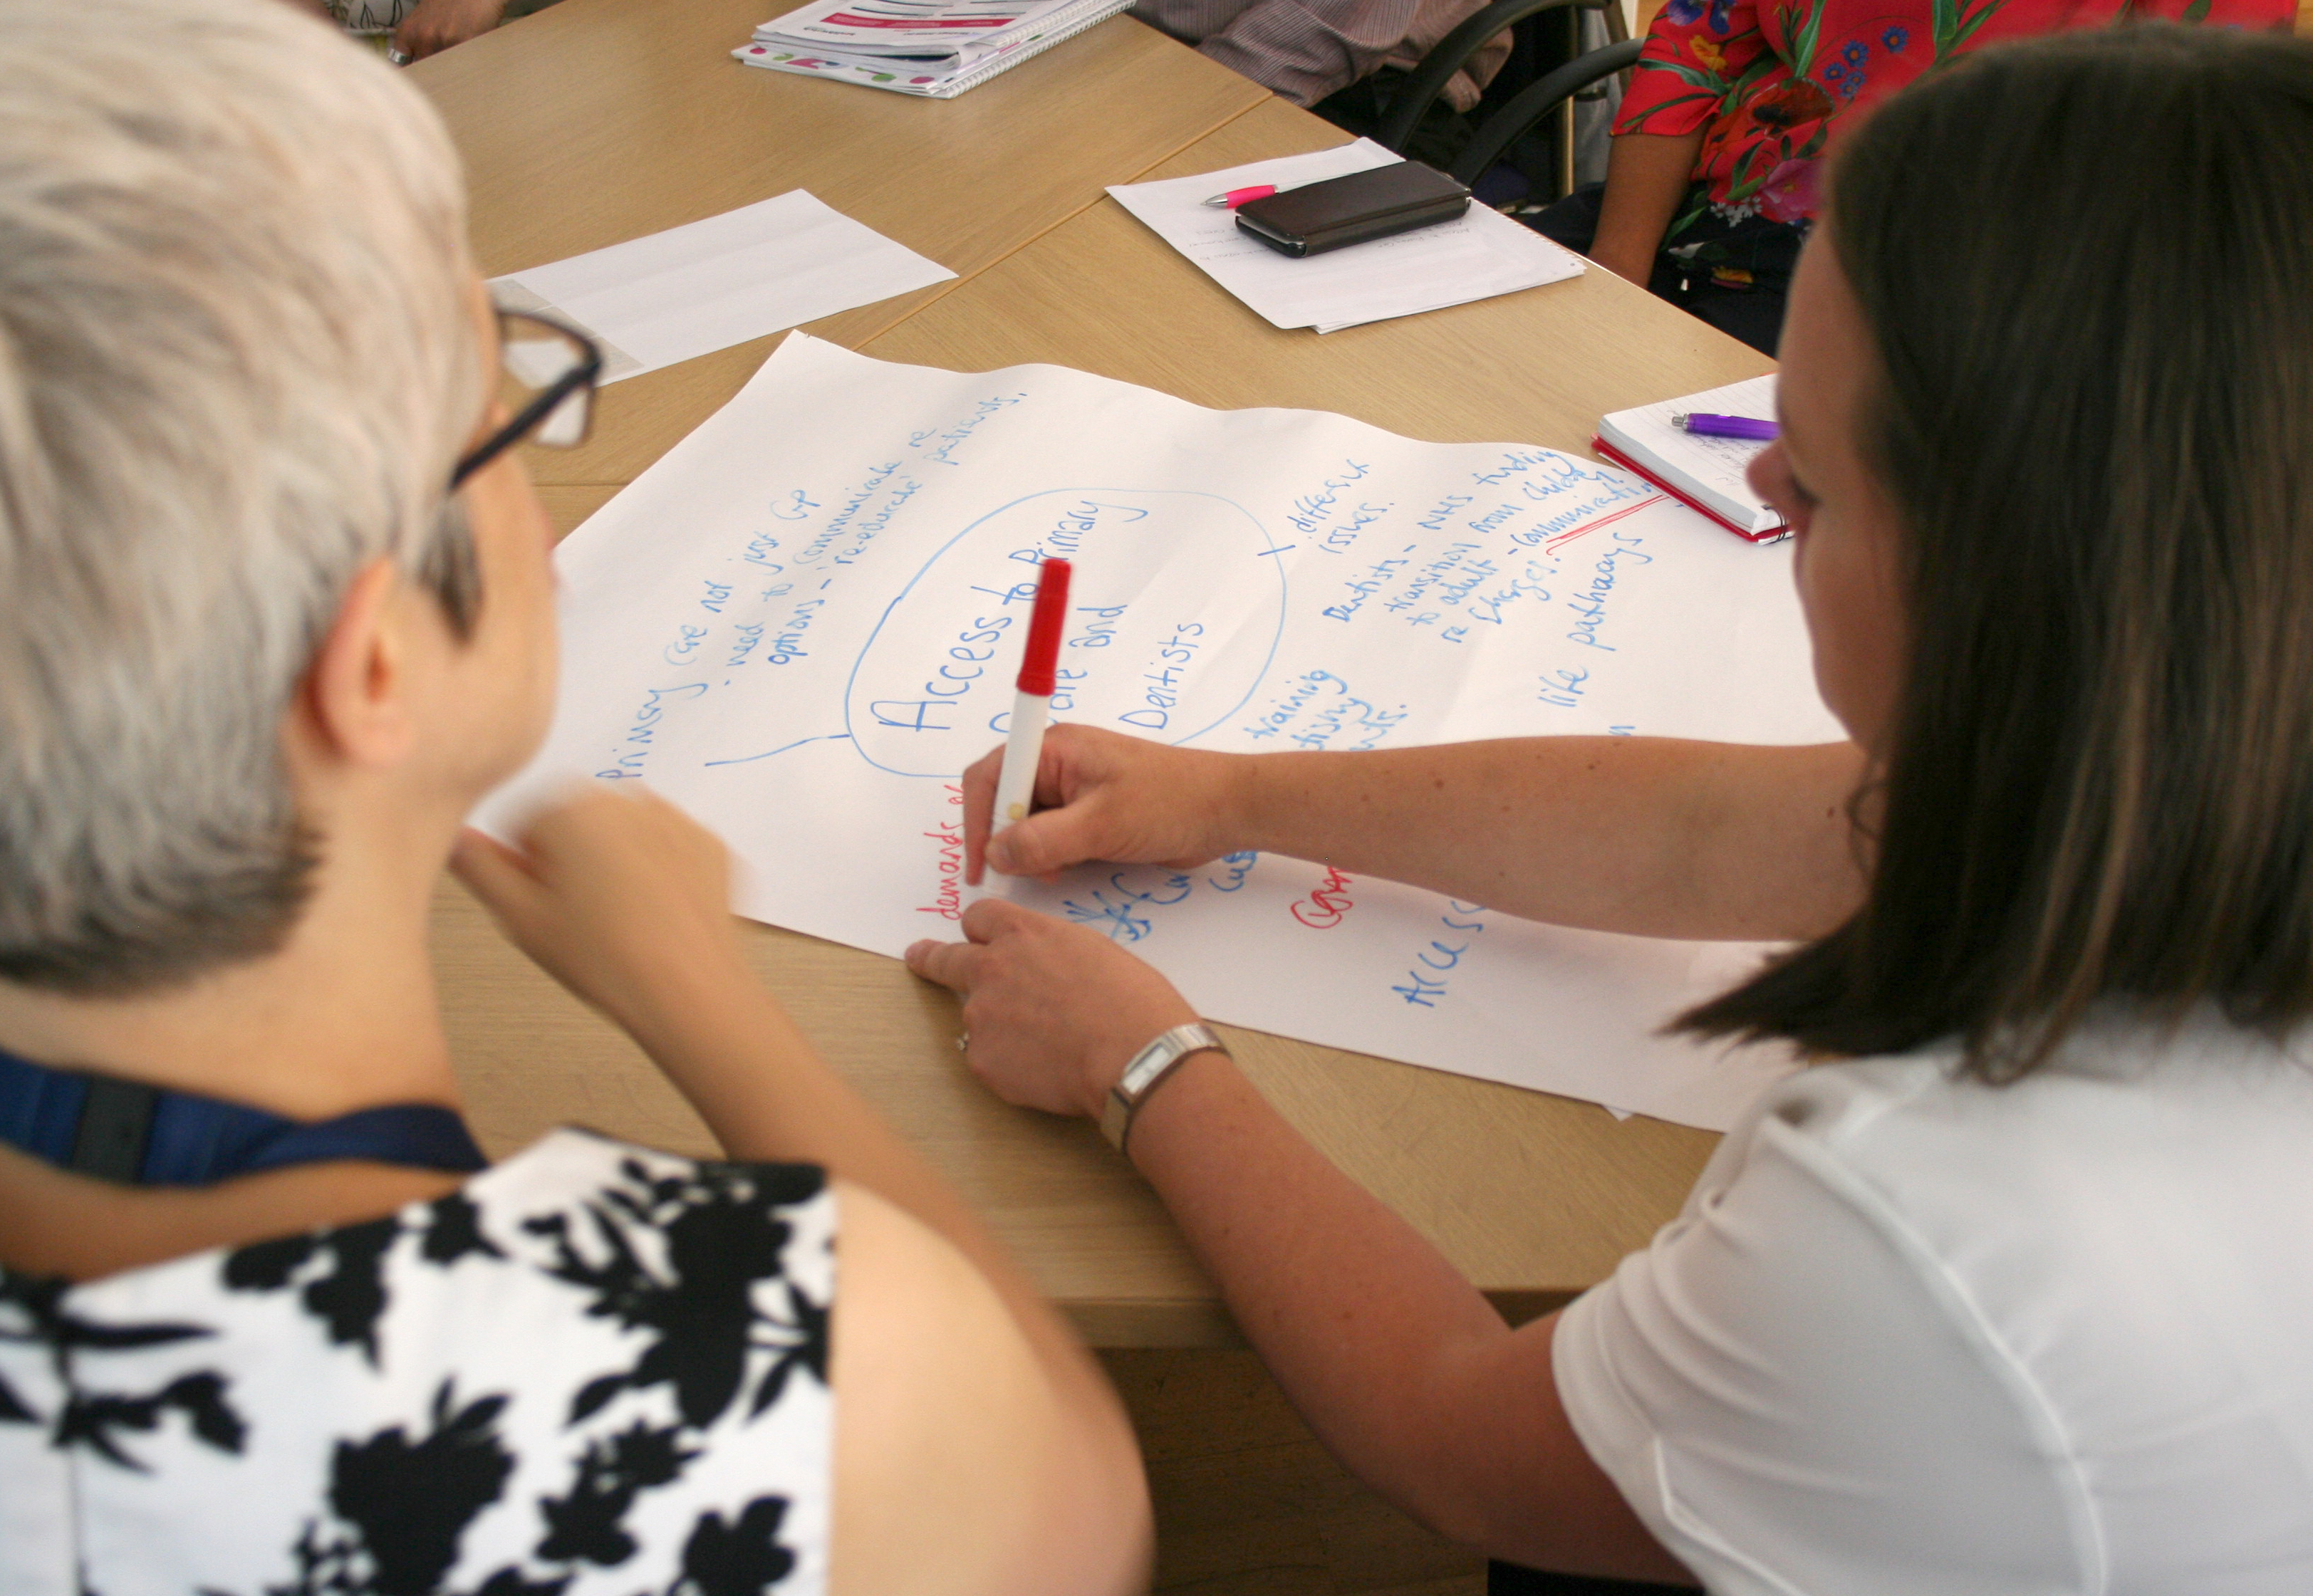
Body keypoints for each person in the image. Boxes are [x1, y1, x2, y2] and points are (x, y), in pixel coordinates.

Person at [910, 23, 2313, 1591]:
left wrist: (1145, 1066)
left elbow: (1455, 1434)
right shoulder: (2197, 758)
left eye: (1812, 478)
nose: (1760, 489)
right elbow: (1702, 831)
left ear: (2007, 588)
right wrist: (1228, 792)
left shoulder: (1933, 1234)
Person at [0, 4, 1148, 1593]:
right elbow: (1070, 1488)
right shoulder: (716, 1395)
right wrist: (696, 990)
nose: (544, 521)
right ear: (372, 662)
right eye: (509, 425)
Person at [1522, 0, 2292, 355]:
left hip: (1930, 289)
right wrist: (1619, 267)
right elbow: (1696, 43)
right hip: (1699, 217)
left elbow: (2188, 177)